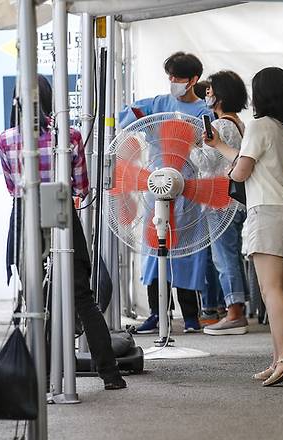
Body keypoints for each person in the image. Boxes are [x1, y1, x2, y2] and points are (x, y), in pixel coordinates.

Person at [0, 75, 126, 390]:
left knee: (34, 301)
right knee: (82, 296)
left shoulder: (5, 139)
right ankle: (110, 375)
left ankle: (42, 378)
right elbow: (81, 189)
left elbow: (13, 188)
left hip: (26, 217)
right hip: (62, 214)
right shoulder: (69, 137)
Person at [204, 67, 283, 386]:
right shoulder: (275, 127)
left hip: (267, 212)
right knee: (276, 290)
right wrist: (219, 145)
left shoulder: (259, 125)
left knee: (270, 289)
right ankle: (278, 359)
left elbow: (242, 171)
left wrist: (231, 172)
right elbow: (248, 158)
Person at [119, 51, 213, 334]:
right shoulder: (158, 103)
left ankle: (190, 315)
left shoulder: (202, 112)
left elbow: (208, 147)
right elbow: (128, 117)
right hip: (155, 183)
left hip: (187, 186)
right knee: (154, 249)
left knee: (187, 252)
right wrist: (136, 116)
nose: (172, 81)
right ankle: (157, 315)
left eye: (178, 77)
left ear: (193, 79)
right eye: (170, 76)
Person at [201, 70, 250, 336]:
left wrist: (192, 147)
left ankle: (234, 312)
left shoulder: (220, 127)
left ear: (220, 95)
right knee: (229, 254)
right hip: (235, 201)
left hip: (220, 200)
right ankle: (233, 308)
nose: (207, 94)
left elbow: (206, 162)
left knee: (224, 257)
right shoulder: (238, 123)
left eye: (210, 90)